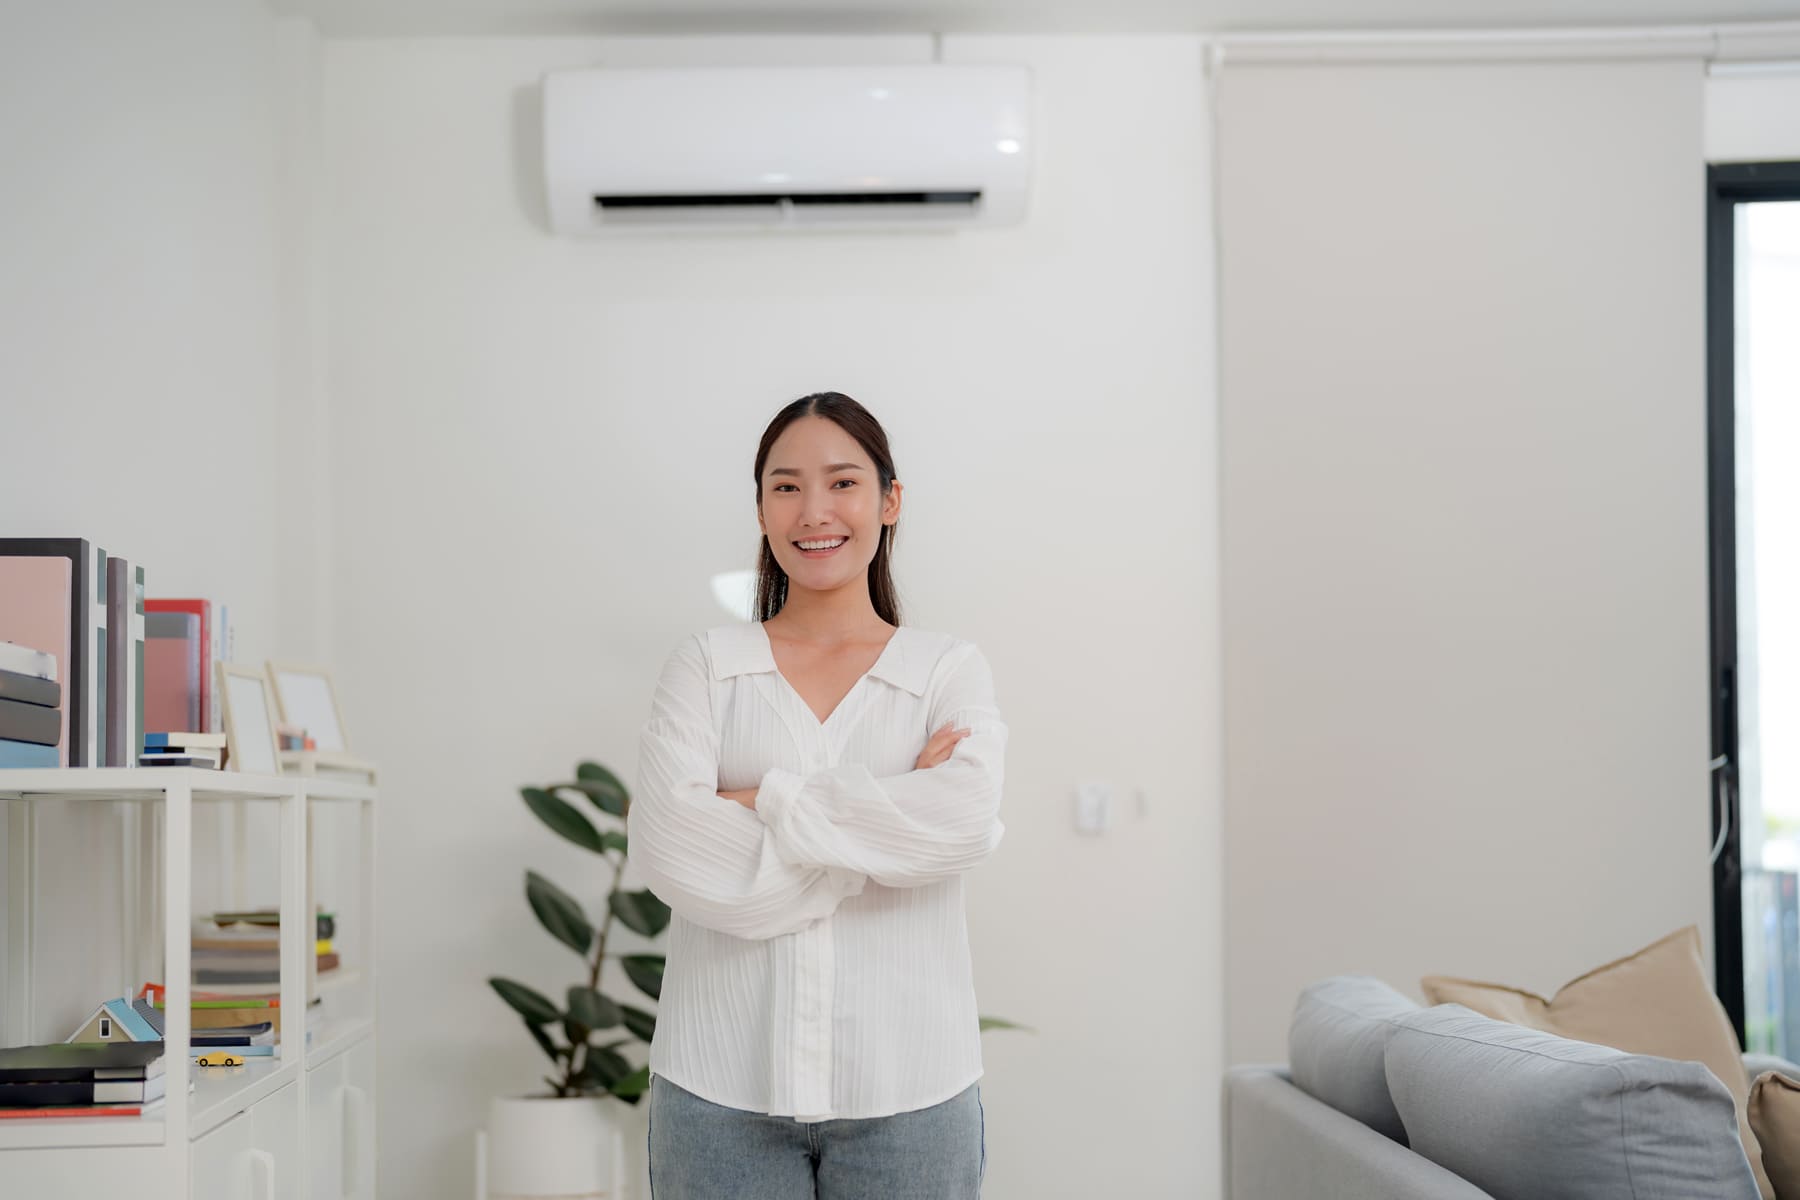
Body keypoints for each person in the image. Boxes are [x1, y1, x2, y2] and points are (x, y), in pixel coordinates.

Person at [628, 391, 1006, 1199]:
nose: (814, 511)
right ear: (762, 509)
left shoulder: (946, 671)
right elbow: (671, 846)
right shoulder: (705, 665)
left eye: (842, 482)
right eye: (786, 486)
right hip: (717, 1087)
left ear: (888, 501)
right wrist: (881, 822)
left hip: (911, 1092)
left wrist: (756, 799)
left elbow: (964, 821)